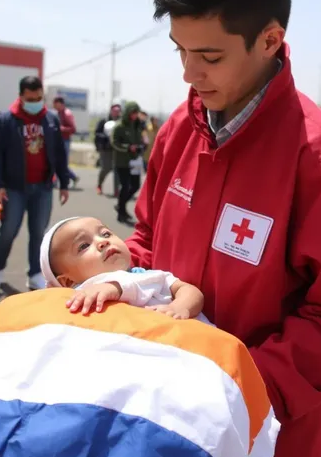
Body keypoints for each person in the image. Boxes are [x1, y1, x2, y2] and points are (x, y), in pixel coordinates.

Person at [125, 0, 321, 457]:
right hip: (163, 416)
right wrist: (103, 277)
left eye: (209, 55)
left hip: (266, 438)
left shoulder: (316, 154)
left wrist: (236, 387)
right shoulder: (179, 128)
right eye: (180, 50)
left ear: (269, 40)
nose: (188, 73)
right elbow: (146, 240)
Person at [0, 76, 69, 292]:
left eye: (39, 98)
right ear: (21, 96)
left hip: (43, 188)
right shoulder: (7, 120)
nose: (35, 102)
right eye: (31, 98)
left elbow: (59, 154)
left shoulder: (50, 120)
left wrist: (64, 183)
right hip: (14, 188)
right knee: (8, 231)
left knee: (38, 233)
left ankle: (34, 273)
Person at [40, 216, 204, 319]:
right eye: (83, 245)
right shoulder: (74, 298)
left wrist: (180, 306)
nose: (102, 241)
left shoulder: (144, 276)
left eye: (105, 233)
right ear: (68, 282)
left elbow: (188, 290)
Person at [112, 101, 144, 224]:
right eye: (133, 113)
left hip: (135, 161)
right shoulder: (119, 126)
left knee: (135, 186)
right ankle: (121, 212)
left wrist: (141, 146)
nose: (135, 115)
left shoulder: (137, 125)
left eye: (136, 113)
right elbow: (115, 143)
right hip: (122, 162)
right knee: (125, 186)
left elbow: (140, 138)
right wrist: (128, 147)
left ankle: (121, 205)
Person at [94, 103, 121, 196]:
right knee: (106, 168)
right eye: (114, 111)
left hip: (117, 150)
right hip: (105, 149)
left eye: (118, 111)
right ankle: (99, 185)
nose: (116, 113)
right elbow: (97, 133)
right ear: (111, 111)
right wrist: (106, 137)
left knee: (117, 170)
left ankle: (116, 190)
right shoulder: (103, 121)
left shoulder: (121, 123)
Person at [53, 96, 79, 188]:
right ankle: (58, 181)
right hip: (58, 140)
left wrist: (61, 129)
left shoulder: (67, 114)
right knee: (56, 161)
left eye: (55, 104)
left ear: (60, 104)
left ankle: (70, 178)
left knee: (61, 162)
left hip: (65, 140)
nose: (54, 106)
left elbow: (73, 129)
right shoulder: (58, 113)